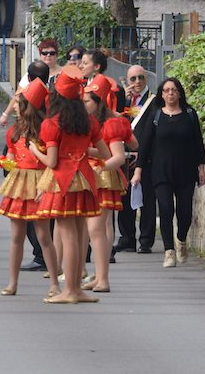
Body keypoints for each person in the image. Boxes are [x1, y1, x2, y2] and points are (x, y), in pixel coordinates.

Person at [30, 66, 117, 305]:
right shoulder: (88, 121)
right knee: (80, 237)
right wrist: (79, 152)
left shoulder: (52, 123)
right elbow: (104, 152)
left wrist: (35, 150)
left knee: (68, 236)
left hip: (62, 180)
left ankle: (69, 290)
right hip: (85, 179)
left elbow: (52, 160)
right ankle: (77, 289)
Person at [132, 77, 205, 268]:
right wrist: (138, 171)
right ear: (162, 94)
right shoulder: (156, 116)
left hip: (186, 170)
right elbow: (145, 145)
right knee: (165, 209)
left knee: (185, 212)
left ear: (179, 93)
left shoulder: (190, 114)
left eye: (174, 90)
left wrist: (201, 168)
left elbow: (198, 143)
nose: (170, 93)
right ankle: (169, 251)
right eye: (166, 90)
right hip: (161, 171)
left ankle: (181, 239)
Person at [0, 79, 60, 297]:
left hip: (39, 183)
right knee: (16, 235)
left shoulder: (46, 129)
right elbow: (11, 160)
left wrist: (45, 186)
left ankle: (54, 283)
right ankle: (12, 282)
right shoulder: (15, 131)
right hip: (19, 183)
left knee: (44, 236)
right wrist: (1, 161)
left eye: (18, 102)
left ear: (28, 105)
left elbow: (53, 163)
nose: (14, 105)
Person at [81, 77, 130, 292]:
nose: (83, 106)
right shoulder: (92, 123)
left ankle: (103, 278)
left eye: (87, 102)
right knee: (95, 230)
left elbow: (117, 156)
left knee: (97, 229)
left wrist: (100, 168)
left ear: (98, 102)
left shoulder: (110, 124)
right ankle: (99, 276)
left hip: (102, 177)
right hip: (92, 176)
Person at [117, 63, 159, 253]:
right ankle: (127, 238)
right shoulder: (123, 100)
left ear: (146, 79)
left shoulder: (154, 101)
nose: (137, 82)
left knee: (147, 200)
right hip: (124, 157)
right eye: (133, 79)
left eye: (140, 78)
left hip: (146, 157)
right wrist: (124, 103)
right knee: (124, 201)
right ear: (127, 81)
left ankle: (145, 240)